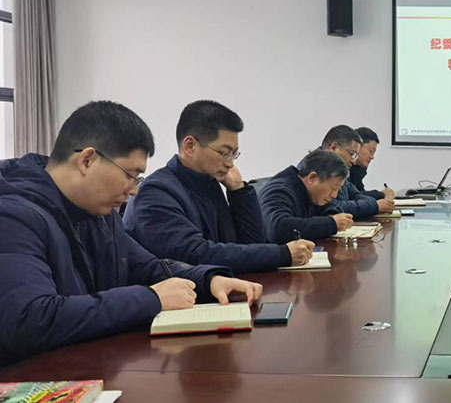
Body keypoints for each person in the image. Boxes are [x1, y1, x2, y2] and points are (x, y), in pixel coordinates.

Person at [0, 101, 261, 366]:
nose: (133, 190)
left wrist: (208, 280)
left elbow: (147, 268)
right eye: (131, 175)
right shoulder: (13, 216)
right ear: (87, 160)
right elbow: (29, 320)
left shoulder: (99, 213)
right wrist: (151, 299)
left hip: (88, 365)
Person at [124, 100, 313, 273]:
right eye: (224, 153)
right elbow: (196, 254)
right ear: (190, 146)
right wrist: (281, 254)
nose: (230, 163)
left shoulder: (210, 183)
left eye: (234, 154)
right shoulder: (155, 192)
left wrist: (239, 192)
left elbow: (253, 242)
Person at [260, 150, 355, 244]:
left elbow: (328, 207)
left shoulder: (312, 192)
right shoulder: (278, 191)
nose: (334, 195)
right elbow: (278, 229)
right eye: (333, 188)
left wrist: (331, 215)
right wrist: (330, 224)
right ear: (312, 178)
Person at [320, 125, 394, 218]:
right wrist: (375, 206)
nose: (353, 161)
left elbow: (356, 194)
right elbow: (331, 206)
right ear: (334, 148)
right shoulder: (318, 168)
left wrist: (373, 204)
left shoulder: (338, 170)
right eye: (352, 154)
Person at [350, 127, 394, 201]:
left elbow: (359, 193)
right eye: (370, 151)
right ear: (357, 147)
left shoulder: (358, 169)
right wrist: (380, 194)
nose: (372, 157)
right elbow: (350, 196)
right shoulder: (342, 168)